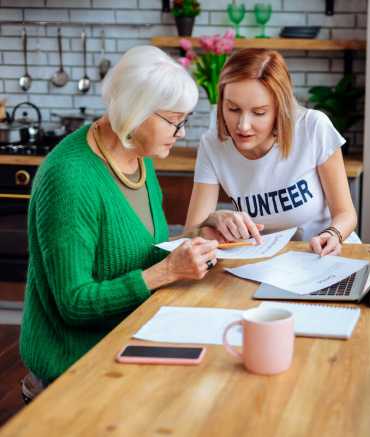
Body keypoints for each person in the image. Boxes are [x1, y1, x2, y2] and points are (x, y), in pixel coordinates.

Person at [19, 46, 220, 402]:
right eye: (175, 121)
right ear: (137, 113)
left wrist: (203, 231)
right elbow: (74, 301)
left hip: (128, 338)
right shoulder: (72, 178)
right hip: (73, 368)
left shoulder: (137, 157)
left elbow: (139, 249)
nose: (182, 132)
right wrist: (166, 272)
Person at [186, 48, 358, 256]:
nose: (243, 126)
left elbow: (346, 213)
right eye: (233, 109)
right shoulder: (212, 144)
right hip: (263, 264)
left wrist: (333, 234)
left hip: (322, 257)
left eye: (259, 112)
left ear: (280, 109)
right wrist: (216, 218)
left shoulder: (313, 128)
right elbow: (192, 231)